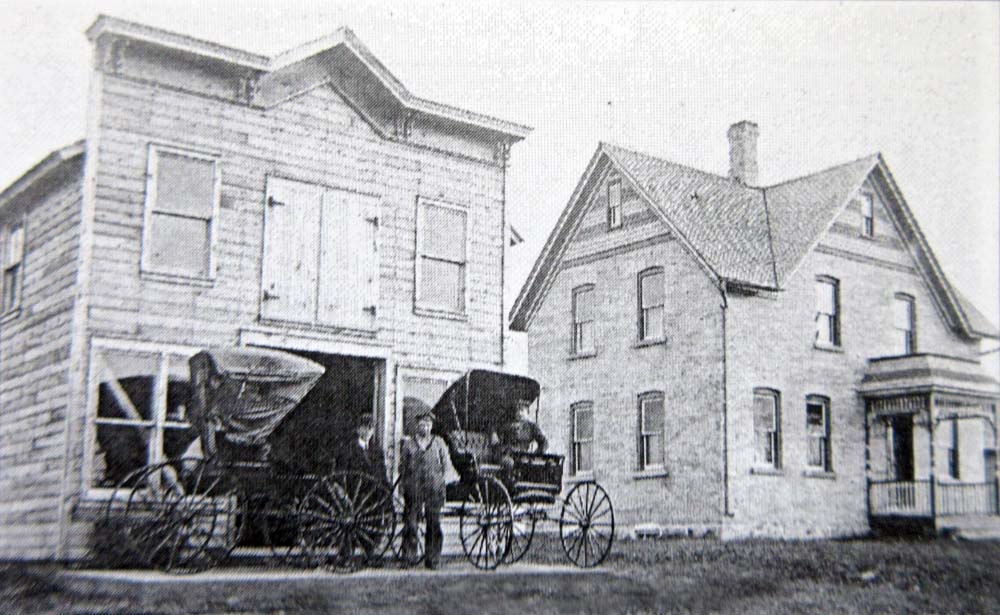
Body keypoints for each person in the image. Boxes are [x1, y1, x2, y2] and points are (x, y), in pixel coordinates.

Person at [399, 409, 452, 570]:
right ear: (417, 425)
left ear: (432, 426)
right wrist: (403, 486)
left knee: (434, 524)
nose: (425, 427)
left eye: (428, 424)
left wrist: (441, 482)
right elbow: (402, 468)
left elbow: (446, 466)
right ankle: (409, 557)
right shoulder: (409, 444)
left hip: (433, 489)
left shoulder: (439, 443)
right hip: (413, 488)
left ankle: (433, 558)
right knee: (411, 524)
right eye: (422, 424)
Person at [491, 399, 547, 480]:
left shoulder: (532, 427)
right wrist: (494, 434)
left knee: (530, 467)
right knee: (509, 463)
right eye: (517, 411)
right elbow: (495, 433)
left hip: (523, 456)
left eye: (522, 410)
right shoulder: (507, 425)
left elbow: (544, 442)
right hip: (507, 454)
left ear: (527, 412)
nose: (519, 413)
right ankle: (508, 484)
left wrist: (535, 455)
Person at [334, 413, 388, 485]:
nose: (368, 430)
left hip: (375, 490)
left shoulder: (378, 451)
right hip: (355, 490)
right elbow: (339, 475)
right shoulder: (348, 449)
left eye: (371, 427)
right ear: (358, 429)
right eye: (365, 427)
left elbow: (383, 476)